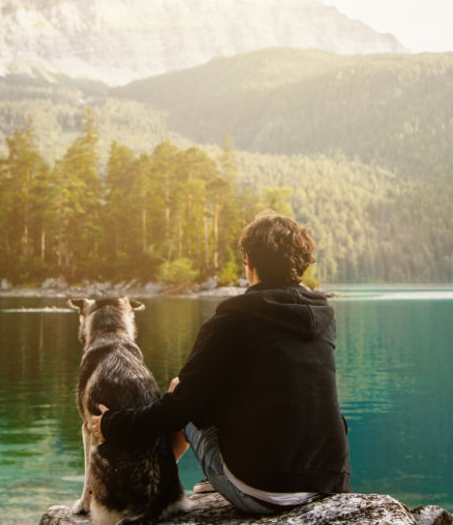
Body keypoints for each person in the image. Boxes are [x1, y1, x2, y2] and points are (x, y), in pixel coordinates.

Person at [90, 211, 350, 514]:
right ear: (301, 265)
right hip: (329, 484)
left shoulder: (233, 318)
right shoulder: (324, 315)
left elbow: (179, 410)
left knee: (181, 389)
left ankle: (154, 491)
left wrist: (113, 424)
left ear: (249, 262)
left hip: (264, 491)